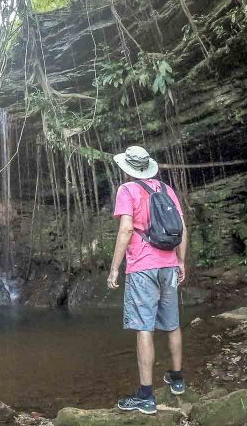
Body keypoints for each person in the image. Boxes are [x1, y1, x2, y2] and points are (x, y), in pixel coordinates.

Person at [106, 145, 188, 415]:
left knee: (144, 328)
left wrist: (115, 268)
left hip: (142, 268)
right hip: (168, 265)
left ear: (127, 168)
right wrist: (180, 261)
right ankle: (177, 380)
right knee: (172, 324)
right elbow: (182, 228)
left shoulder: (127, 190)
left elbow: (126, 229)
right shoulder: (166, 190)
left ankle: (146, 396)